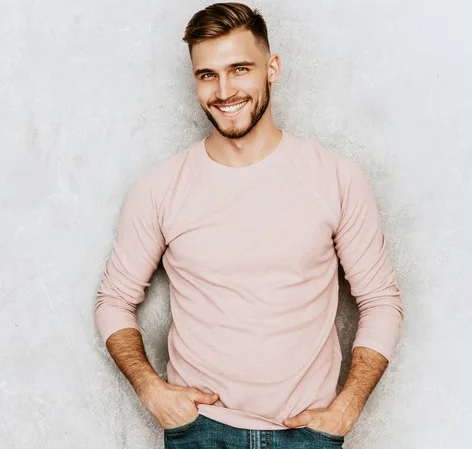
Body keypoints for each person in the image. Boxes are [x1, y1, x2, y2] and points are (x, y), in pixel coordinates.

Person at [93, 2, 404, 448]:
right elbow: (113, 299)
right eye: (207, 75)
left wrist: (346, 407)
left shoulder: (335, 176)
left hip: (309, 435)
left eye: (240, 69)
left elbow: (380, 300)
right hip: (200, 430)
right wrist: (151, 389)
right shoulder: (161, 186)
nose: (224, 90)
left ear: (271, 68)